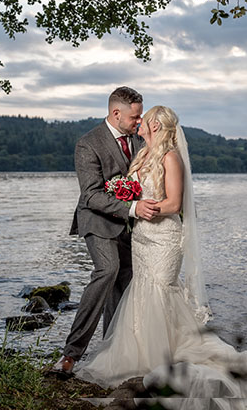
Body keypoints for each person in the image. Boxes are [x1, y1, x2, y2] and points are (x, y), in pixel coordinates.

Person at [74, 106, 247, 409]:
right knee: (141, 290)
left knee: (161, 290)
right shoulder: (142, 154)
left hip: (163, 237)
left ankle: (162, 355)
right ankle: (139, 354)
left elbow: (174, 204)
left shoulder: (170, 157)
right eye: (138, 119)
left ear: (156, 126)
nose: (139, 124)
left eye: (144, 121)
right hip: (141, 237)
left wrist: (148, 207)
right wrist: (127, 200)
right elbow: (130, 193)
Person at [52, 87, 161, 376]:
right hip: (97, 219)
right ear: (116, 113)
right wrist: (134, 208)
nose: (139, 123)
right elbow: (90, 196)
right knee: (108, 270)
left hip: (129, 224)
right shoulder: (88, 143)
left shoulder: (139, 140)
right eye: (135, 118)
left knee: (125, 277)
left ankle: (110, 350)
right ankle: (70, 355)